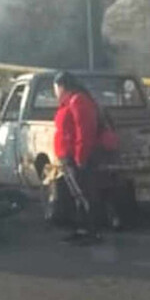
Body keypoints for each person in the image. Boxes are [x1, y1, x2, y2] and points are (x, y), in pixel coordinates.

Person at [53, 71, 101, 245]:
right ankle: (81, 229)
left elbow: (84, 131)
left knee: (85, 194)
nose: (55, 92)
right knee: (76, 195)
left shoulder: (78, 101)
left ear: (62, 86)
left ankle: (92, 231)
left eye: (56, 88)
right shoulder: (68, 103)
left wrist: (80, 156)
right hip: (67, 156)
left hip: (76, 156)